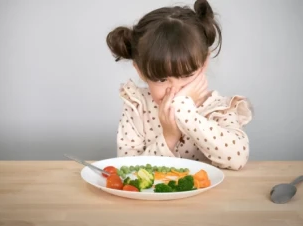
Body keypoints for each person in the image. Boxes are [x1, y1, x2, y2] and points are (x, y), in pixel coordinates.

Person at [106, 0, 253, 170]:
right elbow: (129, 170)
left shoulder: (219, 108)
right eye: (161, 80)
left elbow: (237, 158)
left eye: (186, 76)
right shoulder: (137, 107)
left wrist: (186, 113)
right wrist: (169, 137)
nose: (175, 91)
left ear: (204, 63)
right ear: (140, 72)